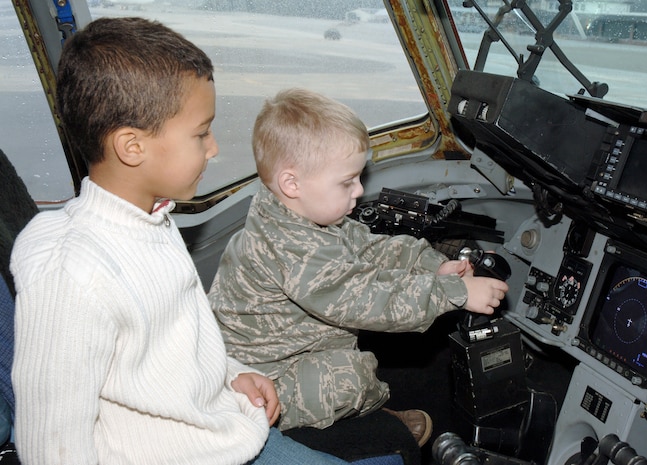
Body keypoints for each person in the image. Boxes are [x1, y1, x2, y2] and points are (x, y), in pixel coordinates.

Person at [9, 18, 350, 465]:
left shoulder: (150, 216)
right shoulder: (73, 272)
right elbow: (50, 447)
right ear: (132, 147)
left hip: (216, 421)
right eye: (200, 133)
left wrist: (232, 375)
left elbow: (173, 348)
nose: (212, 148)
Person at [208, 88, 510, 445]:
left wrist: (435, 265)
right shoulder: (293, 249)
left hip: (287, 348)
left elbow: (370, 248)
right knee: (354, 376)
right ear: (293, 183)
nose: (358, 191)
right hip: (258, 379)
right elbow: (372, 302)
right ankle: (376, 416)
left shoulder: (297, 213)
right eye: (346, 181)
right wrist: (457, 293)